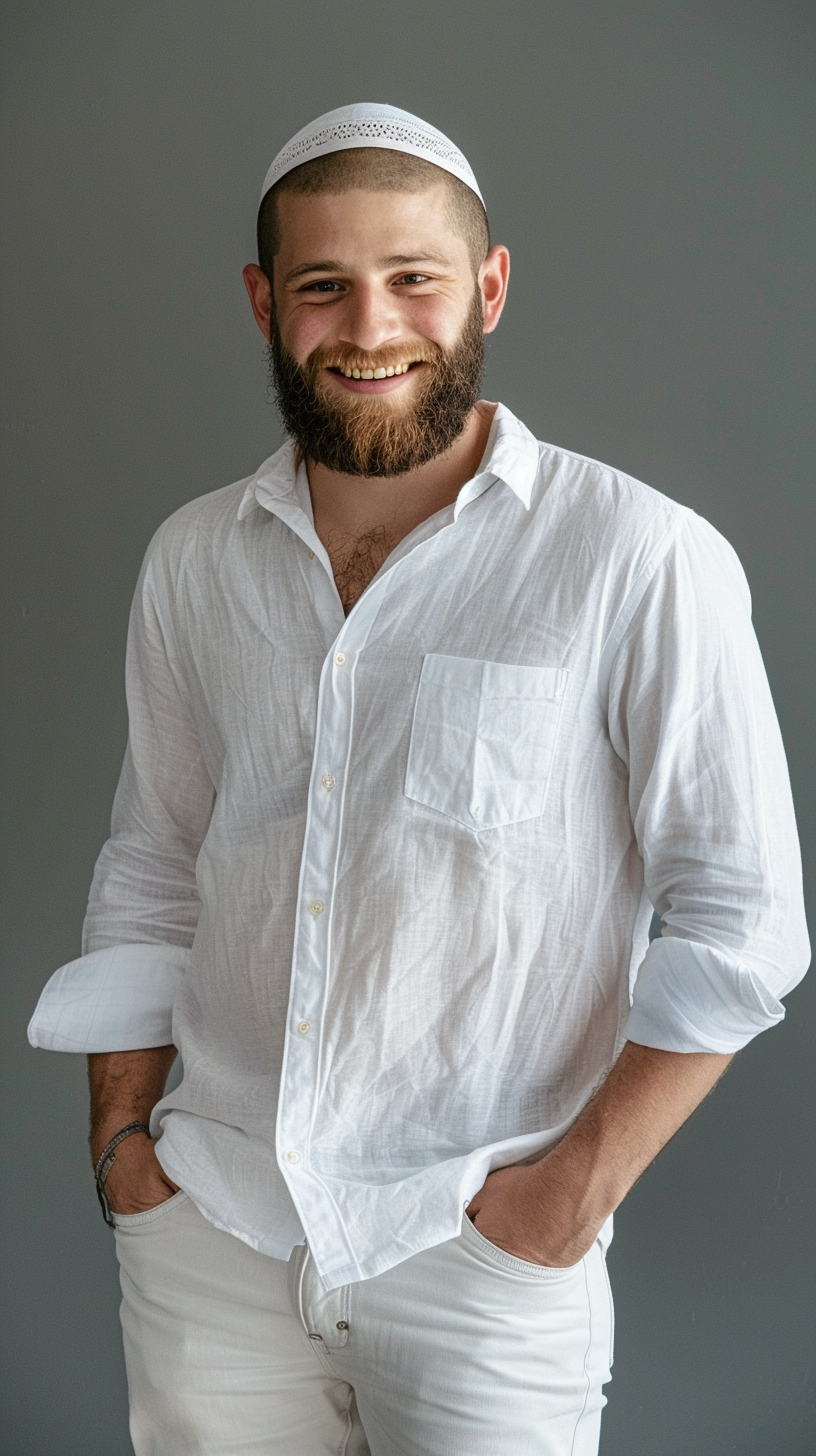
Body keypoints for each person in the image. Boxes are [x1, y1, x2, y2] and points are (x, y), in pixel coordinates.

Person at [29, 102, 809, 1456]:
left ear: (489, 287)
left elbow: (744, 921)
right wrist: (124, 1154)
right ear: (266, 302)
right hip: (211, 1222)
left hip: (477, 1240)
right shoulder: (194, 560)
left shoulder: (638, 558)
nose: (371, 326)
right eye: (325, 285)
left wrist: (570, 1195)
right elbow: (153, 862)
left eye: (415, 279)